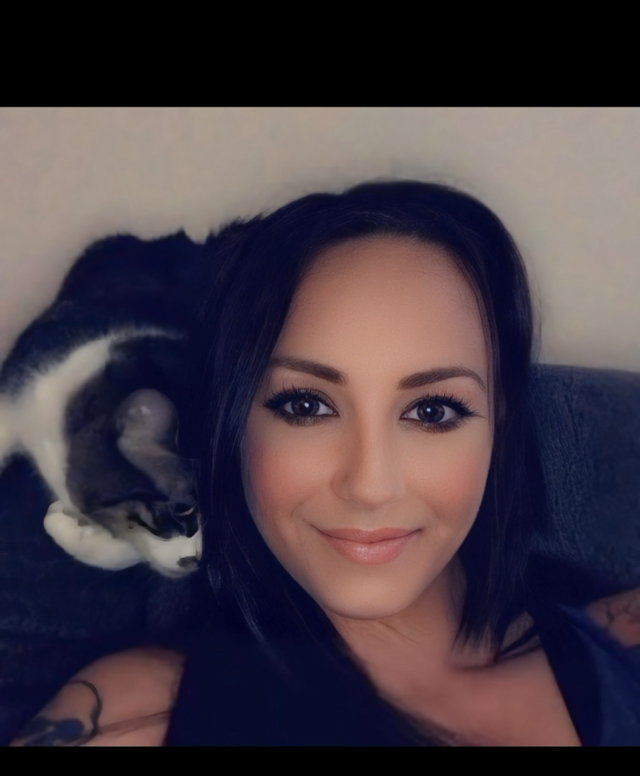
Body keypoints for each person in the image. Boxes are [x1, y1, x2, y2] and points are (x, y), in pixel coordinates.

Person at [11, 181, 640, 746]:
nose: (369, 485)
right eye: (306, 405)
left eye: (433, 411)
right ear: (233, 426)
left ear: (498, 427)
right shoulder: (134, 719)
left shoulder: (615, 646)